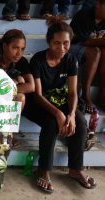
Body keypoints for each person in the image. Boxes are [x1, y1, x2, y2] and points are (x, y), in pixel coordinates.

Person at [24, 17, 97, 193]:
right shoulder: (38, 60)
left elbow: (72, 92)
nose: (62, 48)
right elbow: (39, 95)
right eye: (57, 43)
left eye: (66, 43)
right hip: (40, 104)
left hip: (63, 102)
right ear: (48, 42)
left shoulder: (71, 60)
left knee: (80, 123)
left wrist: (70, 115)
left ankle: (75, 168)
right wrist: (58, 114)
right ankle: (44, 170)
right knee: (51, 123)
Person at [0, 29, 35, 109]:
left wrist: (4, 88)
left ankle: (12, 121)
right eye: (15, 48)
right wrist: (15, 83)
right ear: (4, 46)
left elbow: (31, 86)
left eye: (22, 49)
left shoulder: (22, 61)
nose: (19, 53)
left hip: (10, 102)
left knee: (21, 97)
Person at [70, 0, 105, 112]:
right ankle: (86, 94)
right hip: (73, 47)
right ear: (99, 4)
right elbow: (84, 41)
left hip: (94, 48)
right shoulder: (83, 15)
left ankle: (102, 95)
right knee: (95, 52)